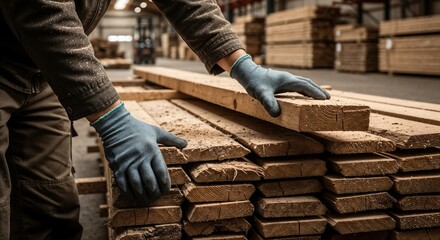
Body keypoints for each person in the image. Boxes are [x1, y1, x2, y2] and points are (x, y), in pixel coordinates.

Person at [0, 0, 330, 239]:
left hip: (42, 73)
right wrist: (113, 120)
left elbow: (188, 2)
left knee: (51, 208)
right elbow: (42, 9)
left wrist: (243, 65)